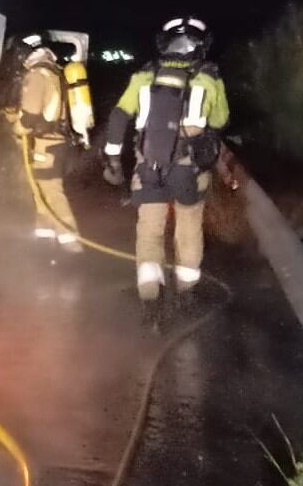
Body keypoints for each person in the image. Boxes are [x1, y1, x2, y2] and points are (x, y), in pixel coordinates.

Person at [102, 17, 229, 313]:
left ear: (165, 43)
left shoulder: (145, 75)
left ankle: (150, 301)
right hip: (191, 171)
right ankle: (186, 293)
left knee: (149, 232)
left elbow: (120, 116)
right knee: (188, 229)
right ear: (200, 44)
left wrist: (113, 159)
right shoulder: (209, 77)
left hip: (149, 169)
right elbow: (221, 120)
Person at [15, 33, 85, 253]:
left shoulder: (37, 75)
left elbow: (30, 114)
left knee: (51, 192)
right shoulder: (56, 72)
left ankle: (72, 245)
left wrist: (17, 129)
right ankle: (45, 243)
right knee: (41, 192)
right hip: (55, 142)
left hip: (46, 143)